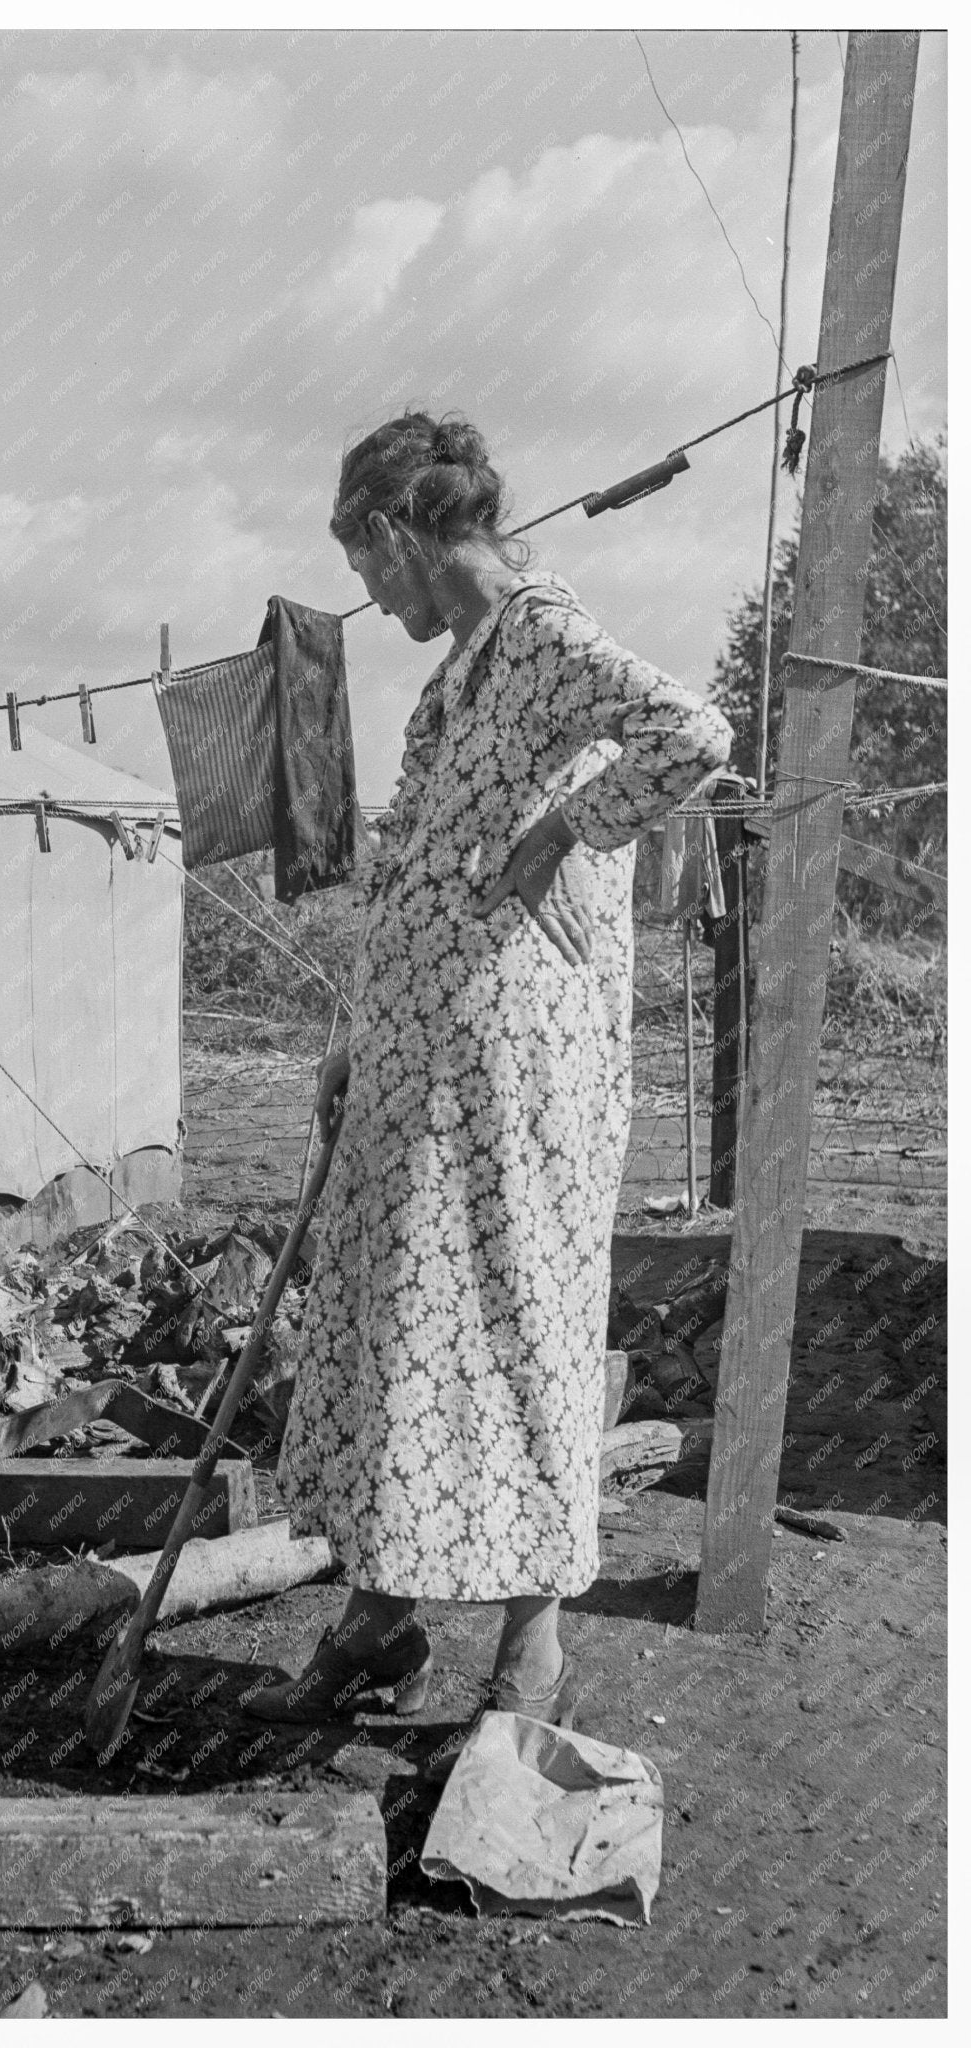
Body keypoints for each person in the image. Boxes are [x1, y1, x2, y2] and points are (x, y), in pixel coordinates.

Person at [249, 409, 732, 1725]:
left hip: (514, 1083)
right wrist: (355, 1032)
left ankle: (528, 1653)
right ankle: (377, 1619)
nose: (364, 592)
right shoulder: (457, 670)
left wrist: (566, 828)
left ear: (400, 532)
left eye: (363, 563)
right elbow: (409, 869)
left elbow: (693, 735)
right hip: (417, 1071)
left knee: (517, 1325)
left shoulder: (541, 635)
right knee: (402, 1322)